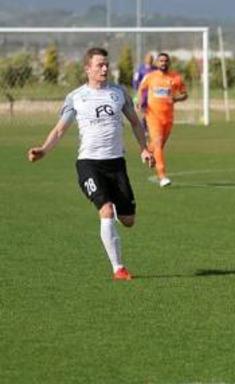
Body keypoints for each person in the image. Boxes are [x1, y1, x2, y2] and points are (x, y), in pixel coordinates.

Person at [27, 47, 154, 281]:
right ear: (88, 69)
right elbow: (59, 130)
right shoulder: (76, 97)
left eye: (106, 64)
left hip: (116, 164)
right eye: (99, 65)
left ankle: (115, 214)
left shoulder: (119, 93)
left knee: (128, 220)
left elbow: (136, 123)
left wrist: (144, 149)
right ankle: (119, 268)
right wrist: (44, 150)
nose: (105, 68)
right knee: (105, 210)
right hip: (88, 164)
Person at [136, 52, 188, 187]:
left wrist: (176, 98)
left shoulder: (175, 78)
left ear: (168, 63)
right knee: (158, 143)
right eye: (161, 61)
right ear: (156, 63)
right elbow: (141, 89)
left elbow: (184, 94)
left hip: (168, 118)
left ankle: (147, 152)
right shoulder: (151, 77)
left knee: (158, 145)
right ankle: (162, 176)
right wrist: (140, 102)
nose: (163, 63)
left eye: (165, 61)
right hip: (152, 115)